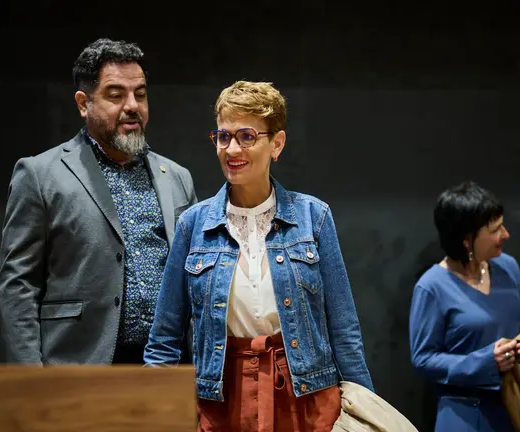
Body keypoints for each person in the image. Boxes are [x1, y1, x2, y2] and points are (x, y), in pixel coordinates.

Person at [144, 80, 373, 431]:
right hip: (221, 398)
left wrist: (364, 409)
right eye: (223, 136)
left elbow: (344, 330)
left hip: (305, 395)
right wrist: (152, 415)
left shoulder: (314, 217)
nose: (232, 148)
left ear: (276, 144)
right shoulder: (193, 224)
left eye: (247, 136)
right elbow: (164, 338)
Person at [0, 38, 197, 365]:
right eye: (116, 95)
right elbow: (18, 287)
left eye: (141, 94)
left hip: (166, 370)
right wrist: (29, 380)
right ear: (83, 103)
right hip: (79, 365)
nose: (132, 105)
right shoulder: (40, 174)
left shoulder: (176, 177)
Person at [409, 181, 520, 432]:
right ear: (467, 241)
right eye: (495, 229)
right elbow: (423, 359)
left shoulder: (508, 266)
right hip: (466, 416)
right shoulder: (431, 287)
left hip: (517, 407)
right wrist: (484, 362)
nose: (505, 235)